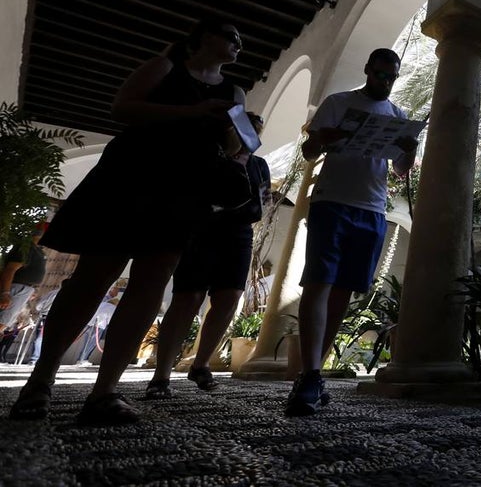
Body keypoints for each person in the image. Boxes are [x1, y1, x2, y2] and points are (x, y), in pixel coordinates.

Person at [8, 17, 247, 425]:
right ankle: (41, 379)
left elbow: (233, 143)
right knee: (94, 276)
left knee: (152, 282)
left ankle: (105, 391)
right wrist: (193, 111)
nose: (238, 43)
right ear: (203, 37)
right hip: (131, 177)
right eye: (231, 35)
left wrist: (234, 140)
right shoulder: (166, 67)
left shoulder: (234, 91)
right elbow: (122, 108)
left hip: (185, 186)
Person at [287, 48, 418, 416]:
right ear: (367, 70)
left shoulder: (397, 116)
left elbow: (401, 170)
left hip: (372, 209)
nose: (385, 82)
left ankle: (313, 375)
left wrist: (409, 149)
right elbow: (309, 152)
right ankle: (310, 373)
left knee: (342, 293)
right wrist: (324, 138)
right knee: (318, 283)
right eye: (380, 75)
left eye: (391, 77)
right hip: (331, 201)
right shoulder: (339, 102)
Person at [145, 112, 271, 398]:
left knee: (229, 297)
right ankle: (161, 375)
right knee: (188, 297)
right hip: (202, 230)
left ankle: (201, 365)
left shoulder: (259, 165)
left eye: (256, 132)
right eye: (247, 130)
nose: (251, 137)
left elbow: (262, 201)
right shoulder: (212, 156)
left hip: (239, 234)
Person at [0, 221, 49, 333]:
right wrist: (5, 293)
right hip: (16, 288)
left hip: (24, 290)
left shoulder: (38, 250)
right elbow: (10, 270)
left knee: (5, 322)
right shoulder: (27, 248)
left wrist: (32, 289)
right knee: (3, 321)